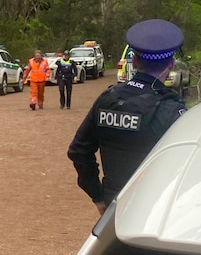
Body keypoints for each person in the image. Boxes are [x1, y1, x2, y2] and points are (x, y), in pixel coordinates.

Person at [68, 19, 187, 215]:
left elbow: (79, 150)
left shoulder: (107, 99)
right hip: (154, 207)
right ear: (172, 64)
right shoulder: (171, 108)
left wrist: (98, 195)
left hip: (113, 205)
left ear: (134, 61)